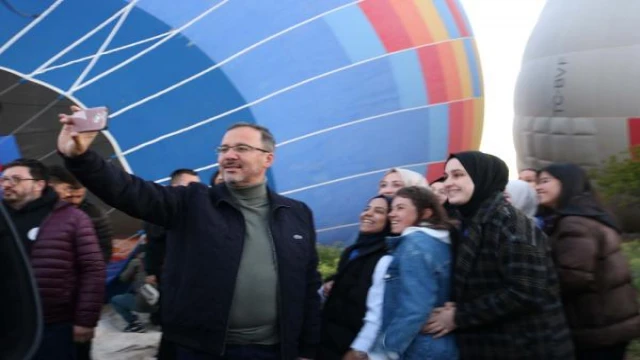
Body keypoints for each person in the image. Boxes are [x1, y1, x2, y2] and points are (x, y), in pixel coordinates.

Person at [57, 108, 321, 360]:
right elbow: (129, 191)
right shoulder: (192, 202)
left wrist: (307, 348)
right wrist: (81, 158)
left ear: (268, 158)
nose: (229, 155)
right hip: (199, 350)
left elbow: (308, 284)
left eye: (241, 148)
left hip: (273, 351)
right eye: (224, 149)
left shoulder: (296, 213)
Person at [424, 151, 574, 359]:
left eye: (458, 175)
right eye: (447, 176)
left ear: (482, 177)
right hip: (495, 344)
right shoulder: (470, 221)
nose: (448, 182)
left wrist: (459, 316)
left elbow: (525, 292)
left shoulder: (510, 223)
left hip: (526, 347)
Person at [1, 159, 105, 360]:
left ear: (39, 184)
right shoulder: (3, 219)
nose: (7, 184)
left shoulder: (72, 218)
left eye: (16, 179)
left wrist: (85, 320)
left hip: (56, 324)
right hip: (11, 325)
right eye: (4, 179)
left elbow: (93, 269)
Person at [537, 163, 640, 359]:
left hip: (595, 325)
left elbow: (573, 276)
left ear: (567, 183)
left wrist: (531, 287)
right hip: (611, 322)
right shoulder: (590, 214)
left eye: (545, 181)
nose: (537, 187)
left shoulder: (573, 222)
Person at [370, 186, 457, 360]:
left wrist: (385, 349)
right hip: (439, 345)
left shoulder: (415, 244)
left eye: (400, 208)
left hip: (419, 348)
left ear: (425, 213)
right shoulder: (441, 242)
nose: (391, 214)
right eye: (392, 208)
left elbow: (415, 307)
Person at [319, 195, 392, 360]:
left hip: (350, 346)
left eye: (379, 211)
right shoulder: (352, 251)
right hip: (326, 339)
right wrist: (327, 288)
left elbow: (378, 311)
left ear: (389, 219)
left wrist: (359, 349)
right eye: (367, 208)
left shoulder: (385, 259)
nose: (368, 214)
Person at [48, 165, 114, 263]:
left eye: (79, 196)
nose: (75, 201)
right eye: (68, 196)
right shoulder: (37, 211)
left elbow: (103, 253)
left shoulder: (94, 215)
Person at [111, 249, 155, 333]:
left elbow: (123, 278)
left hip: (143, 303)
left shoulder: (137, 262)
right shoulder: (164, 260)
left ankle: (134, 323)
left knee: (115, 300)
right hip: (164, 305)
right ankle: (157, 319)